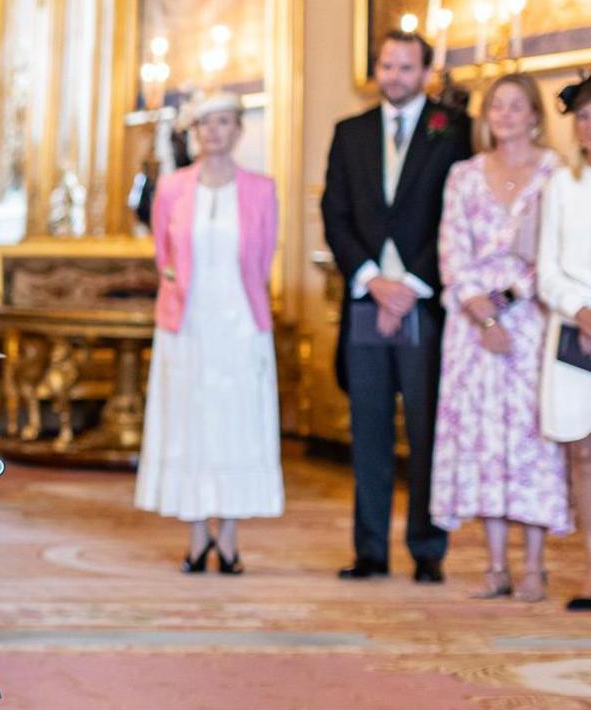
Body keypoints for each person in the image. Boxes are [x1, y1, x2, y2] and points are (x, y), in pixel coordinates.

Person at [319, 30, 473, 583]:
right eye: (387, 66)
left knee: (428, 429)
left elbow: (455, 219)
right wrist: (371, 280)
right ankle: (370, 550)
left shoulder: (453, 132)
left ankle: (428, 549)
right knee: (370, 428)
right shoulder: (349, 133)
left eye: (406, 68)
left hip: (423, 302)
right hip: (366, 299)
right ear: (376, 70)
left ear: (426, 73)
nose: (395, 77)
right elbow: (335, 214)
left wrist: (408, 283)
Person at [431, 73, 571, 602]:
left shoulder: (555, 173)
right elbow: (452, 250)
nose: (506, 116)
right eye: (498, 107)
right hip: (472, 328)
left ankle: (535, 565)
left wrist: (507, 303)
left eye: (517, 107)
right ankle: (495, 565)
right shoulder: (463, 176)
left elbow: (560, 251)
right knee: (485, 440)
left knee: (531, 440)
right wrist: (480, 313)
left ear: (535, 114)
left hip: (532, 320)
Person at [134, 94, 282, 572]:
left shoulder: (262, 189)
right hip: (187, 325)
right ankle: (197, 537)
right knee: (189, 422)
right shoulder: (174, 188)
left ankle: (231, 537)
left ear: (239, 130)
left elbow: (263, 259)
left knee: (239, 423)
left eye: (224, 123)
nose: (214, 132)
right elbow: (164, 255)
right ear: (195, 132)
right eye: (205, 124)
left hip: (240, 324)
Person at [539, 73, 591, 611]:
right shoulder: (562, 183)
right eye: (582, 116)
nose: (589, 125)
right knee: (583, 454)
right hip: (575, 331)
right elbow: (546, 269)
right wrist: (579, 307)